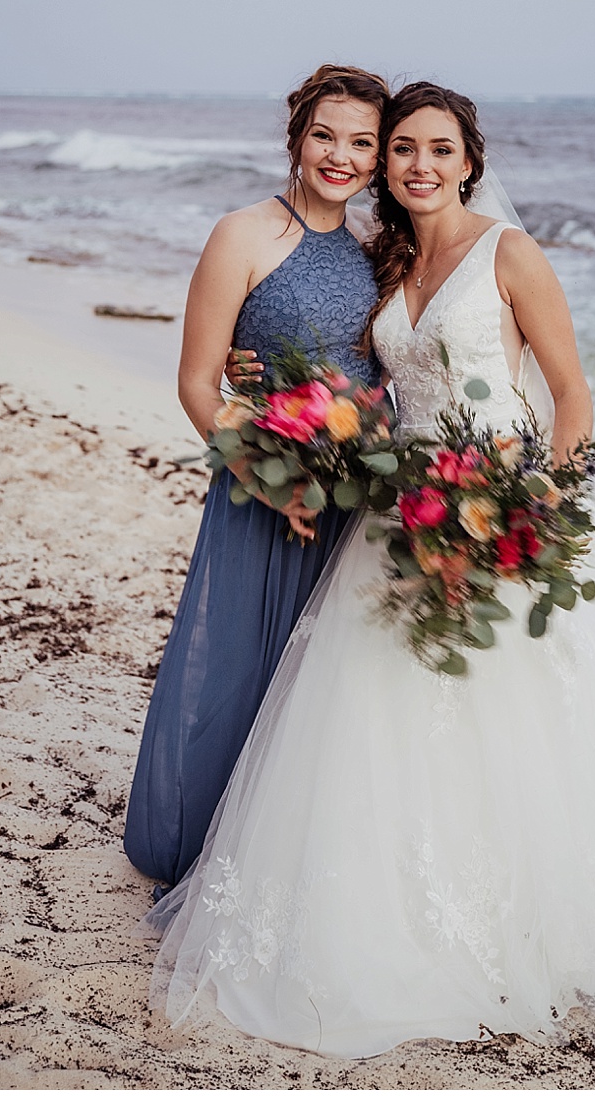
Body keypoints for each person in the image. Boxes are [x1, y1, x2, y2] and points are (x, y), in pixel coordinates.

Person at [145, 82, 595, 1057]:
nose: (416, 165)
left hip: (505, 512)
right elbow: (347, 372)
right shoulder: (388, 260)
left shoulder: (511, 253)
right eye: (401, 148)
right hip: (400, 515)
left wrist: (541, 503)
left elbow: (573, 394)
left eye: (435, 149)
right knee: (372, 726)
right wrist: (252, 377)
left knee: (523, 727)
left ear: (470, 159)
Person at [124, 65, 389, 893]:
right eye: (326, 135)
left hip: (352, 500)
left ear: (379, 162)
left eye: (361, 143)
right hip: (261, 487)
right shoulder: (241, 233)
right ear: (296, 138)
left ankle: (285, 847)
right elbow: (199, 381)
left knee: (321, 677)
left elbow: (393, 369)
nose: (339, 156)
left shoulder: (380, 252)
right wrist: (267, 474)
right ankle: (195, 838)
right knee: (234, 662)